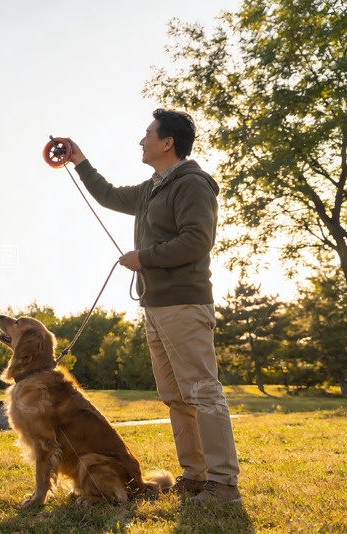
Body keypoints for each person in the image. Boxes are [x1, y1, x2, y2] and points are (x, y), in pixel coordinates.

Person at [62, 108, 241, 504]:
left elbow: (197, 241)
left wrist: (145, 257)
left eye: (147, 134)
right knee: (175, 396)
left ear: (167, 142)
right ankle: (195, 476)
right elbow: (108, 195)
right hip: (155, 306)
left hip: (184, 304)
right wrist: (79, 159)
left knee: (202, 392)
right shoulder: (151, 187)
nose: (141, 141)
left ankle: (224, 484)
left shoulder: (192, 184)